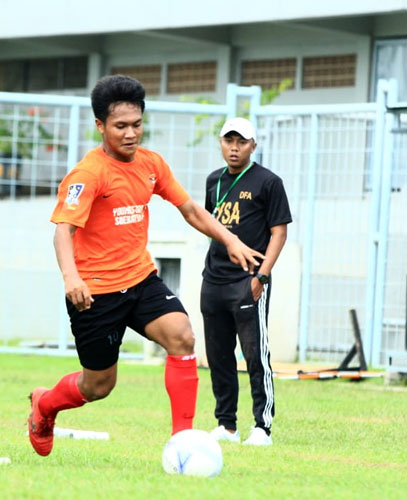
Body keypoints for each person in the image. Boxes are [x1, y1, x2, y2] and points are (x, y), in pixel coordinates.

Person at [26, 75, 265, 457]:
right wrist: (72, 278)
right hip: (95, 292)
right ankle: (45, 405)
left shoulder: (151, 164)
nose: (131, 133)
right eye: (120, 126)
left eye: (137, 124)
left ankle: (181, 444)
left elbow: (190, 210)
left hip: (140, 280)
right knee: (98, 386)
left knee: (182, 336)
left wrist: (231, 240)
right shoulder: (89, 174)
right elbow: (62, 231)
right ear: (100, 126)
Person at [201, 117, 291, 446]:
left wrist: (262, 275)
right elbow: (212, 225)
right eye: (228, 140)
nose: (234, 147)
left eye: (241, 141)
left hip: (248, 281)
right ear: (221, 143)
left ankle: (261, 427)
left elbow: (279, 232)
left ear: (254, 145)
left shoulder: (268, 182)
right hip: (214, 280)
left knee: (255, 354)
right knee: (218, 355)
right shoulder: (214, 181)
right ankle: (226, 425)